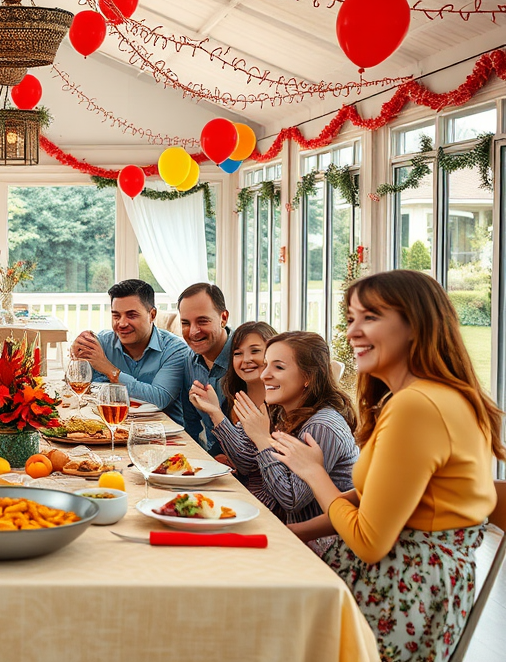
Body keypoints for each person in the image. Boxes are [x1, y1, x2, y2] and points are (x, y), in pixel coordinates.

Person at [271, 270, 503, 662]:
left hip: (401, 589)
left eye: (371, 317)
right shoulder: (423, 396)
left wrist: (313, 472)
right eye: (350, 319)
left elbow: (369, 540)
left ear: (416, 325)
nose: (352, 332)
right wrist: (290, 531)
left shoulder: (418, 406)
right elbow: (369, 499)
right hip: (410, 581)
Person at [190, 331, 358, 548]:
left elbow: (291, 500)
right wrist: (216, 413)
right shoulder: (281, 410)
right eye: (266, 365)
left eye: (278, 367)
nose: (264, 375)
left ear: (309, 377)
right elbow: (246, 461)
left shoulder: (322, 425)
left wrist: (261, 439)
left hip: (320, 549)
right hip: (280, 529)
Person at [70, 279, 187, 422]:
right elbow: (78, 390)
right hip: (107, 428)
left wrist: (110, 371)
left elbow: (159, 398)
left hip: (163, 433)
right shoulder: (101, 343)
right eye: (116, 316)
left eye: (131, 315)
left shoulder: (175, 350)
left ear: (152, 315)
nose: (122, 323)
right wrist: (76, 359)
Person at [188, 320, 275, 496]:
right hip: (233, 490)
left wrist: (215, 413)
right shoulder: (233, 399)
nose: (246, 360)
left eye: (255, 351)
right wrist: (218, 457)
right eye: (237, 353)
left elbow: (248, 464)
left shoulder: (281, 405)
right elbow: (226, 449)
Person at [176, 283, 232, 455]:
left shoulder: (247, 359)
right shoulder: (188, 361)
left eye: (202, 321)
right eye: (185, 323)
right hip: (211, 461)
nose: (193, 331)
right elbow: (190, 426)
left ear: (223, 318)